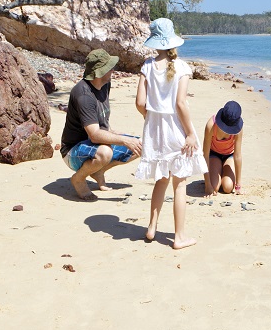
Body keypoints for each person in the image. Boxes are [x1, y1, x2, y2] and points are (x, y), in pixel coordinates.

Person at [135, 18, 207, 249]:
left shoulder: (147, 66)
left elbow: (139, 102)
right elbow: (181, 104)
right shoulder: (183, 68)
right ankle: (179, 237)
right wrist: (190, 134)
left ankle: (151, 227)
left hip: (154, 130)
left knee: (161, 179)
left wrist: (150, 119)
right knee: (180, 183)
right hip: (176, 127)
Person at [60, 49, 142, 201]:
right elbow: (95, 135)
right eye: (109, 67)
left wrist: (119, 136)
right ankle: (79, 179)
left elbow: (103, 121)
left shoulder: (105, 84)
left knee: (139, 146)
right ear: (99, 72)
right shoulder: (84, 95)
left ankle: (98, 171)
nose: (112, 70)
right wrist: (124, 140)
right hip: (73, 150)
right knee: (105, 152)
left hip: (94, 142)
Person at [202, 101, 244, 197]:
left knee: (228, 188)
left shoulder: (238, 129)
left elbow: (237, 155)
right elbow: (205, 154)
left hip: (229, 156)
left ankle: (221, 171)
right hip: (214, 154)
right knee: (214, 187)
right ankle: (217, 171)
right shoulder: (211, 125)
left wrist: (238, 185)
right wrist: (207, 184)